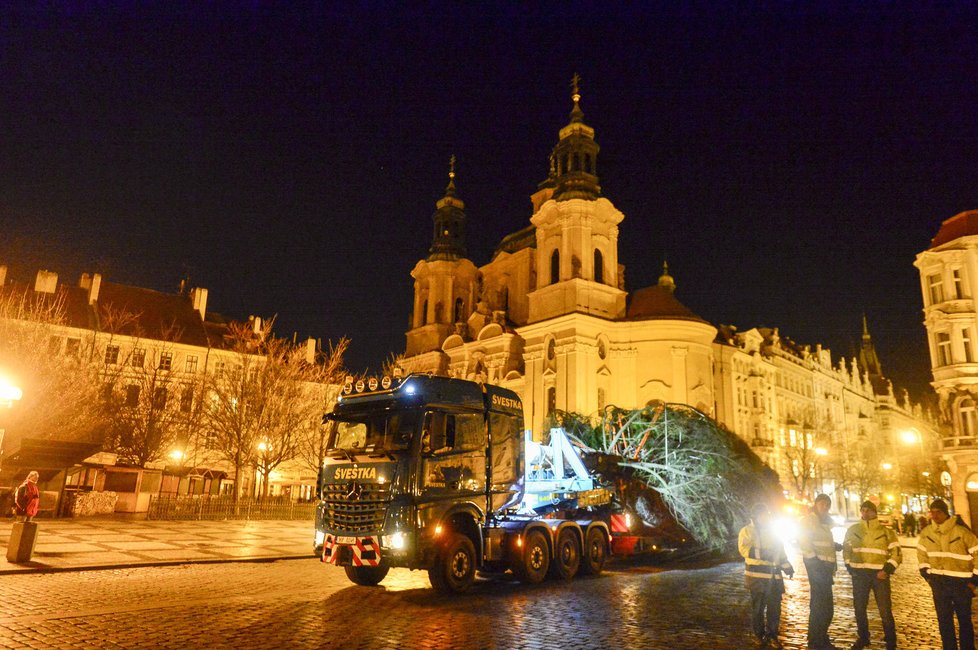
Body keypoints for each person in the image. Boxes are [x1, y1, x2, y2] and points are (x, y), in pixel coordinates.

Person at [917, 498, 978, 650]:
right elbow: (922, 555)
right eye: (932, 512)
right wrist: (928, 575)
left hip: (961, 584)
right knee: (944, 622)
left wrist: (974, 581)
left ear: (946, 513)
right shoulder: (926, 533)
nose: (935, 516)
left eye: (938, 512)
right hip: (939, 584)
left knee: (964, 621)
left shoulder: (962, 532)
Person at [844, 500, 901, 650]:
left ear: (875, 512)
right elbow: (846, 550)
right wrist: (849, 567)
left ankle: (891, 640)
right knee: (859, 608)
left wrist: (887, 570)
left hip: (879, 576)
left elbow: (896, 554)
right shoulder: (853, 530)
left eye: (868, 510)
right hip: (860, 575)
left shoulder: (886, 532)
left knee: (885, 610)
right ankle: (863, 637)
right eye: (863, 510)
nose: (865, 513)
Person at [739, 503, 794, 648]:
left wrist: (787, 567)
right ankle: (759, 635)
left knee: (775, 609)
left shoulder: (773, 532)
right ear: (755, 516)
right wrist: (765, 555)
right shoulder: (747, 531)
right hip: (756, 577)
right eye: (763, 514)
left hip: (773, 577)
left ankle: (772, 635)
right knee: (758, 608)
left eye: (766, 514)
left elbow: (780, 552)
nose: (765, 517)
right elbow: (744, 549)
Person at [799, 493, 842, 650]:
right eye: (822, 503)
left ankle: (820, 638)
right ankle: (816, 642)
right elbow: (804, 541)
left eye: (827, 504)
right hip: (817, 568)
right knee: (820, 606)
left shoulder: (824, 523)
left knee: (825, 607)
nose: (825, 507)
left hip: (826, 569)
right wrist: (814, 561)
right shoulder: (809, 520)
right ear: (816, 504)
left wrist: (834, 545)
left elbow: (821, 542)